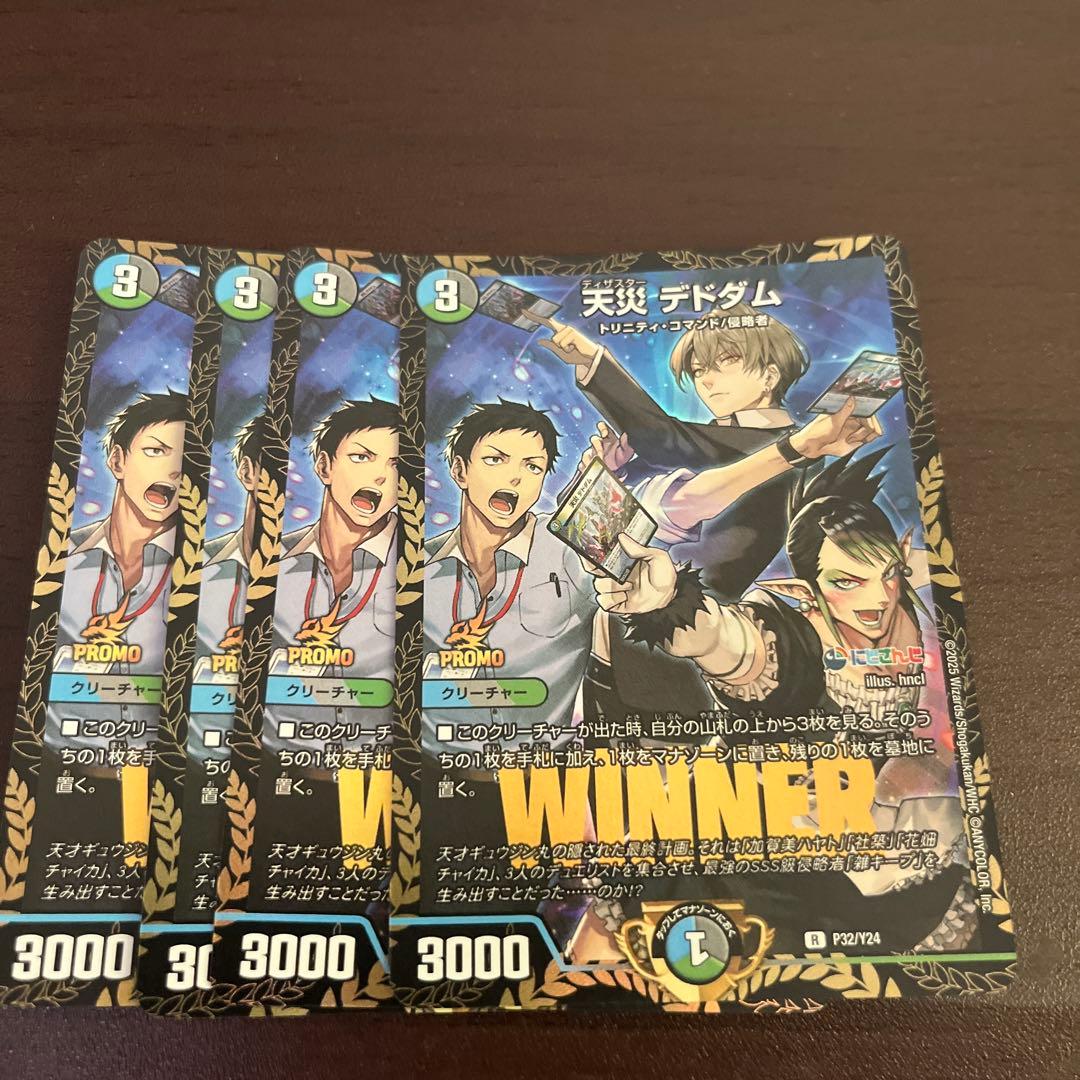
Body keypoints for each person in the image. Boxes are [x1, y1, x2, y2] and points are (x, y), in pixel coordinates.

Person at [580, 450, 974, 955]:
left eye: (885, 573)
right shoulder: (790, 642)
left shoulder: (910, 609)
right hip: (736, 844)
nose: (876, 598)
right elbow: (730, 642)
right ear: (803, 589)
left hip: (847, 842)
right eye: (845, 582)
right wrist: (671, 604)